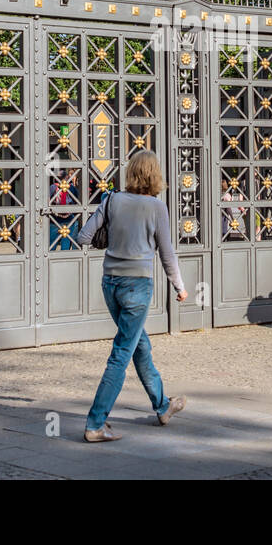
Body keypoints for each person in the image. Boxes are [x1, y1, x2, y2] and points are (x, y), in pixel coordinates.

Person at [78, 150, 188, 442]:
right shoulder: (156, 207)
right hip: (137, 287)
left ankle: (163, 406)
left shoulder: (111, 200)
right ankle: (95, 424)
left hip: (110, 284)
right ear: (155, 175)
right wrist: (180, 286)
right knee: (121, 354)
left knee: (139, 346)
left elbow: (83, 236)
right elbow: (167, 254)